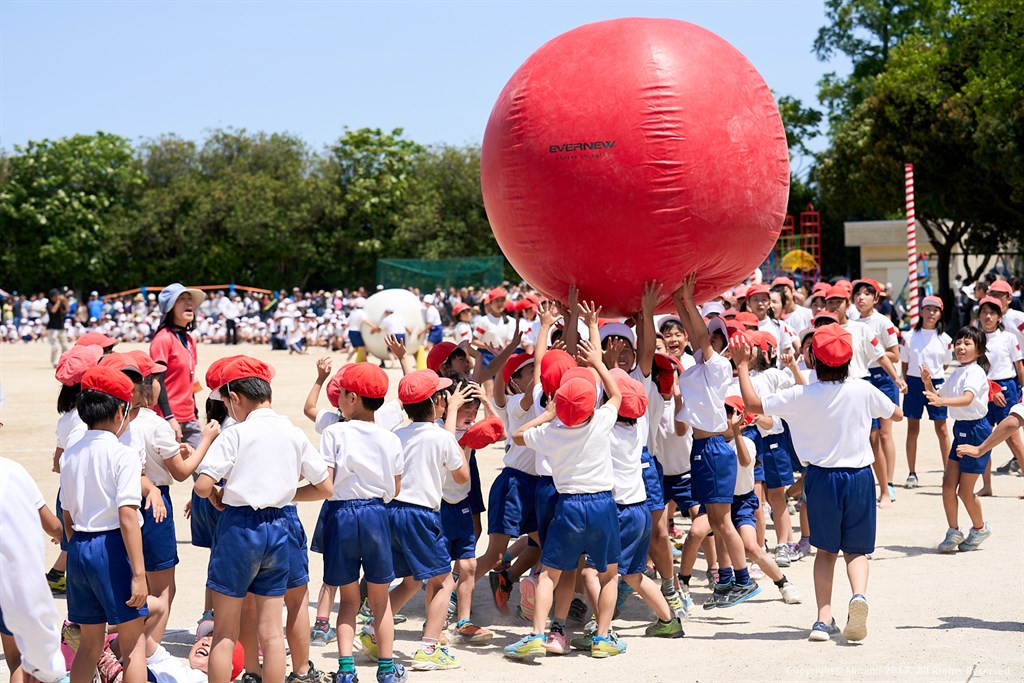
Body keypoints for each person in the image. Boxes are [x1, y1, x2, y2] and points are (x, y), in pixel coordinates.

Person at [734, 323, 902, 643]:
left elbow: (753, 405)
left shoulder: (801, 394)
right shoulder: (862, 389)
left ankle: (823, 620)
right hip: (861, 475)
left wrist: (742, 365)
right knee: (856, 552)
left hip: (822, 478)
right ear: (849, 358)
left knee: (825, 552)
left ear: (812, 358)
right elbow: (895, 415)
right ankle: (859, 597)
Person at [193, 356, 333, 683]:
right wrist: (286, 493)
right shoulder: (292, 432)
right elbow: (325, 486)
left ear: (237, 399)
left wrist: (215, 493)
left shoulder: (236, 434)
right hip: (280, 528)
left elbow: (201, 486)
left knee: (226, 631)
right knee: (272, 634)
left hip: (240, 527)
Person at [505, 302, 625, 661]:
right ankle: (602, 638)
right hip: (602, 503)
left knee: (551, 574)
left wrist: (547, 414)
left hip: (568, 504)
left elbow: (519, 435)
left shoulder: (551, 434)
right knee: (608, 576)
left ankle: (537, 634)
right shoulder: (601, 422)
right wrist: (600, 361)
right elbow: (615, 395)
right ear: (591, 405)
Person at [301, 362, 407, 683]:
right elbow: (396, 486)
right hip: (377, 515)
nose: (339, 399)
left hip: (341, 515)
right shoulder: (389, 438)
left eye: (343, 393)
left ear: (354, 398)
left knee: (348, 599)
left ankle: (346, 670)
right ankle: (386, 669)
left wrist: (290, 493)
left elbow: (327, 484)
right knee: (379, 600)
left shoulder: (334, 432)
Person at [673, 274, 758, 609]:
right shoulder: (700, 366)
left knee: (722, 522)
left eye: (714, 335)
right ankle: (734, 579)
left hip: (711, 449)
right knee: (718, 521)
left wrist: (689, 299)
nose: (704, 337)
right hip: (703, 449)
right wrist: (678, 300)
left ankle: (743, 579)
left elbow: (699, 333)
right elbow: (694, 332)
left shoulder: (718, 365)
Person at [60, 366, 150, 682]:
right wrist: (139, 574)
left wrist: (77, 547)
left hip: (80, 546)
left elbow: (67, 515)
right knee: (134, 643)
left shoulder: (69, 454)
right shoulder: (122, 454)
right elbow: (127, 516)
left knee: (90, 644)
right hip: (111, 547)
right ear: (119, 411)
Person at [384, 370, 468, 671]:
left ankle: (372, 632)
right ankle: (429, 647)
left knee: (410, 580)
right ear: (436, 402)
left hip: (392, 511)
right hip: (421, 514)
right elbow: (462, 477)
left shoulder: (395, 435)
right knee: (445, 581)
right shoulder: (442, 437)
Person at [923, 327, 994, 552]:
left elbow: (966, 399)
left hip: (976, 431)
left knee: (965, 491)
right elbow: (940, 394)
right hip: (961, 429)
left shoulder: (975, 372)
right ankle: (953, 531)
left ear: (979, 350)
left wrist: (941, 402)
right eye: (959, 343)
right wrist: (927, 383)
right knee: (947, 485)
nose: (961, 347)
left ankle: (979, 528)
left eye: (967, 343)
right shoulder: (957, 371)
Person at [0, 457, 68, 683]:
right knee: (19, 661)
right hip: (7, 580)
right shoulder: (12, 471)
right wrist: (62, 535)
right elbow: (50, 524)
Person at [852, 279, 903, 505]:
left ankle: (888, 484)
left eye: (866, 294)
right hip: (863, 378)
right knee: (871, 436)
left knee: (884, 433)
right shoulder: (851, 324)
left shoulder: (883, 322)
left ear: (876, 298)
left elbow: (895, 354)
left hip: (883, 378)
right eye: (858, 294)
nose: (861, 298)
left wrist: (873, 352)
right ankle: (879, 481)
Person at [900, 296, 953, 487]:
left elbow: (945, 363)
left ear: (940, 314)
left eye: (935, 310)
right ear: (920, 312)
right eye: (927, 309)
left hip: (936, 383)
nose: (931, 313)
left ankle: (948, 471)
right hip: (914, 383)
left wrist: (930, 378)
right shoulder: (909, 337)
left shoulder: (945, 339)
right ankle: (912, 472)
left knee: (942, 429)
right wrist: (909, 380)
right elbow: (905, 364)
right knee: (913, 428)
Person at [974, 296, 1024, 497]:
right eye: (984, 312)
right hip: (984, 389)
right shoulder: (975, 339)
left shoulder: (1009, 338)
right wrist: (989, 390)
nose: (988, 316)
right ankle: (986, 485)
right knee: (985, 439)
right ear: (979, 315)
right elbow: (973, 368)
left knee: (1013, 439)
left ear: (999, 317)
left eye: (992, 313)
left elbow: (1019, 367)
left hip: (1006, 389)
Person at [151, 283, 207, 446]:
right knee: (167, 472)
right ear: (169, 307)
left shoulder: (190, 340)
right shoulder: (163, 339)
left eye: (190, 299)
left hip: (190, 418)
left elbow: (189, 382)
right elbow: (157, 381)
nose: (189, 303)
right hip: (168, 419)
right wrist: (169, 418)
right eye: (181, 299)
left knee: (204, 468)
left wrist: (195, 413)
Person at [47, 288, 70, 367]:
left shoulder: (61, 302)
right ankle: (54, 362)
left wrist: (65, 300)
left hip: (61, 327)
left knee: (65, 346)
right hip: (52, 328)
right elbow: (53, 310)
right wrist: (59, 301)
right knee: (55, 347)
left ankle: (64, 361)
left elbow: (67, 309)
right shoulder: (49, 303)